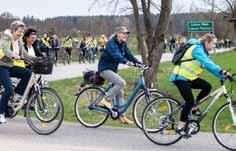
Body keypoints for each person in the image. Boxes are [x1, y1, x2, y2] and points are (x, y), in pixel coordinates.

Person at [170, 33, 232, 134]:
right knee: (189, 101)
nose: (214, 46)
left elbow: (209, 67)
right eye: (213, 44)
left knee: (207, 87)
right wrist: (222, 71)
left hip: (190, 78)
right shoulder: (197, 49)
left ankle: (194, 107)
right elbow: (208, 63)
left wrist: (222, 75)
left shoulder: (203, 51)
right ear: (207, 42)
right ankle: (180, 127)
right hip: (180, 77)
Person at [98, 26, 142, 124]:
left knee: (120, 92)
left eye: (126, 33)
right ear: (118, 33)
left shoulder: (123, 44)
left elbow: (129, 55)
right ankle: (105, 100)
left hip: (113, 70)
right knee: (121, 83)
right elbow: (116, 55)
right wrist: (125, 61)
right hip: (105, 69)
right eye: (123, 33)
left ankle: (121, 116)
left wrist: (140, 63)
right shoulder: (111, 43)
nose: (125, 35)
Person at [0, 20, 32, 123]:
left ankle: (17, 95)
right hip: (1, 66)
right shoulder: (6, 37)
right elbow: (4, 48)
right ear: (13, 31)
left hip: (9, 66)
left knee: (28, 73)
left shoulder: (18, 41)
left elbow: (25, 54)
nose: (21, 34)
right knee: (9, 88)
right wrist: (13, 55)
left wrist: (37, 58)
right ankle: (1, 113)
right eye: (19, 32)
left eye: (22, 32)